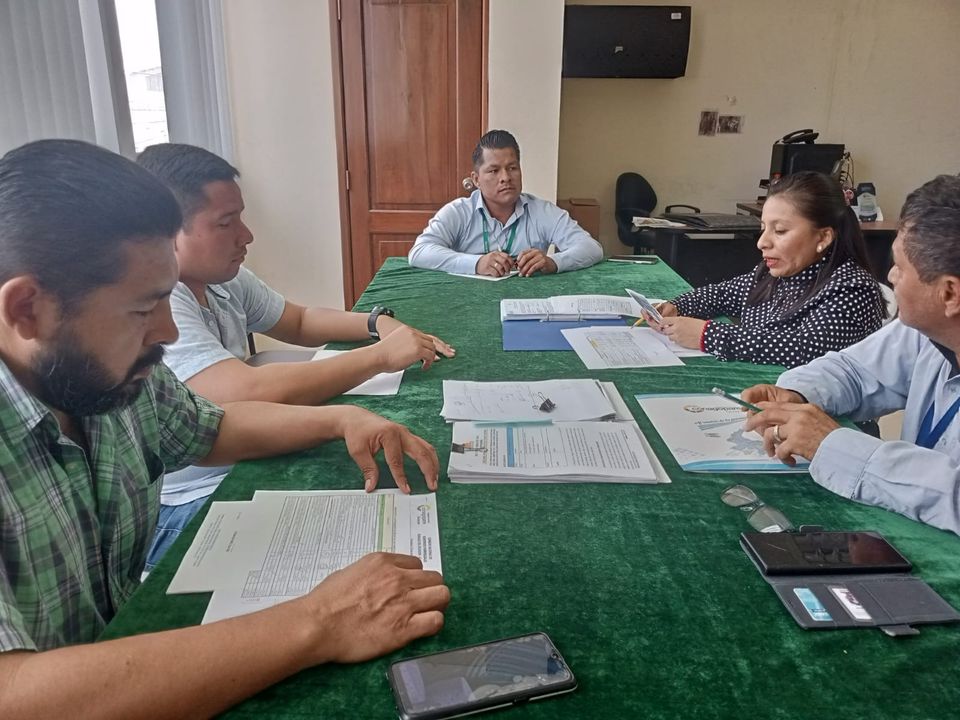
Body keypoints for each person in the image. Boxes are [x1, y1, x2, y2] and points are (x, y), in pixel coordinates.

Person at [0, 140, 449, 717]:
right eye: (142, 310)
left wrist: (339, 419)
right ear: (27, 310)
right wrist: (318, 622)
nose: (167, 332)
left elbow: (209, 428)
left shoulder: (110, 372)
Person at [136, 143, 455, 567]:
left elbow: (299, 321)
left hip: (241, 458)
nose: (246, 235)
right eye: (226, 223)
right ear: (163, 233)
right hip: (189, 498)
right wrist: (378, 358)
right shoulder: (162, 300)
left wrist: (375, 323)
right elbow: (241, 395)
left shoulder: (221, 280)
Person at [741, 174, 960, 535]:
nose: (890, 277)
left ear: (949, 294)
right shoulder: (925, 333)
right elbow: (855, 371)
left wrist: (834, 445)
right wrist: (797, 395)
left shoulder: (854, 288)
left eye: (900, 267)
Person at [645, 172, 885, 368]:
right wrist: (679, 305)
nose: (762, 242)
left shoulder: (853, 289)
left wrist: (708, 336)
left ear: (823, 237)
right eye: (763, 228)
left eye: (779, 231)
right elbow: (725, 294)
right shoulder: (777, 271)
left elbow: (804, 349)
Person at [408, 130, 603, 278]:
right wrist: (476, 263)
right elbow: (419, 252)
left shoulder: (542, 211)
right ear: (476, 179)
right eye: (494, 171)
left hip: (526, 303)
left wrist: (553, 262)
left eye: (512, 168)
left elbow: (591, 248)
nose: (506, 178)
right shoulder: (459, 212)